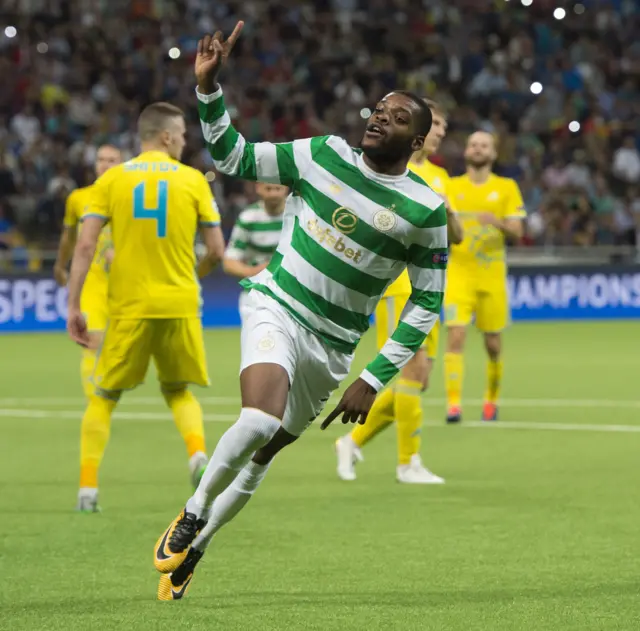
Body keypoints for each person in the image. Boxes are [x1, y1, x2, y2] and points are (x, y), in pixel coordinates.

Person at [153, 23, 447, 602]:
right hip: (277, 303)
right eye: (378, 110)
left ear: (417, 142)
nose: (379, 118)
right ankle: (191, 511)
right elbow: (233, 156)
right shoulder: (320, 155)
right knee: (258, 419)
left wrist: (372, 376)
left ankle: (199, 546)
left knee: (263, 455)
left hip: (334, 347)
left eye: (397, 117)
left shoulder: (425, 209)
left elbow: (428, 300)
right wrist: (209, 89)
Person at [66, 102, 225, 513]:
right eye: (185, 135)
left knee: (103, 396)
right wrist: (195, 274)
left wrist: (73, 304)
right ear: (168, 136)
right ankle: (197, 455)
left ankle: (87, 491)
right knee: (177, 390)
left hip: (129, 308)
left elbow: (84, 246)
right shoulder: (193, 181)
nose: (187, 142)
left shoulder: (112, 180)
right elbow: (216, 251)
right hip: (180, 303)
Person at [335, 99, 463, 483]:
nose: (440, 131)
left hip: (427, 286)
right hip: (397, 286)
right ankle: (409, 463)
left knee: (418, 378)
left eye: (442, 125)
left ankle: (352, 441)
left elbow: (454, 238)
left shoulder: (440, 178)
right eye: (436, 123)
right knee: (412, 372)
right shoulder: (383, 173)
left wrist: (449, 211)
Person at [443, 131, 526, 423]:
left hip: (491, 277)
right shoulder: (450, 187)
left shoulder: (506, 188)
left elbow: (518, 231)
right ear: (466, 151)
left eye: (484, 145)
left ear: (493, 153)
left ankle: (491, 399)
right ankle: (454, 405)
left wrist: (498, 222)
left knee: (492, 344)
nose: (478, 149)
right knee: (456, 335)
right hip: (458, 274)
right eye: (473, 144)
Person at [223, 182, 288, 322]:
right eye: (268, 189)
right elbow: (229, 263)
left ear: (286, 189)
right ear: (258, 188)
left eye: (278, 189)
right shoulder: (248, 218)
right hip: (257, 295)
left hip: (292, 296)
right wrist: (257, 272)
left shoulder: (298, 215)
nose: (273, 194)